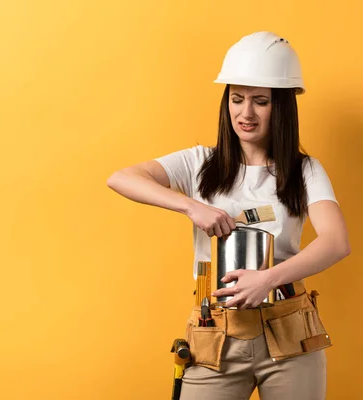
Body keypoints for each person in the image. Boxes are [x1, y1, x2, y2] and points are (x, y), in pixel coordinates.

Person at [107, 31, 350, 400]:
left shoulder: (305, 170)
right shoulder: (198, 162)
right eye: (236, 99)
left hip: (289, 328)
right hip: (214, 331)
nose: (245, 113)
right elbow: (121, 178)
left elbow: (335, 242)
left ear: (281, 107)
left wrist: (268, 279)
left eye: (260, 101)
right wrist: (191, 205)